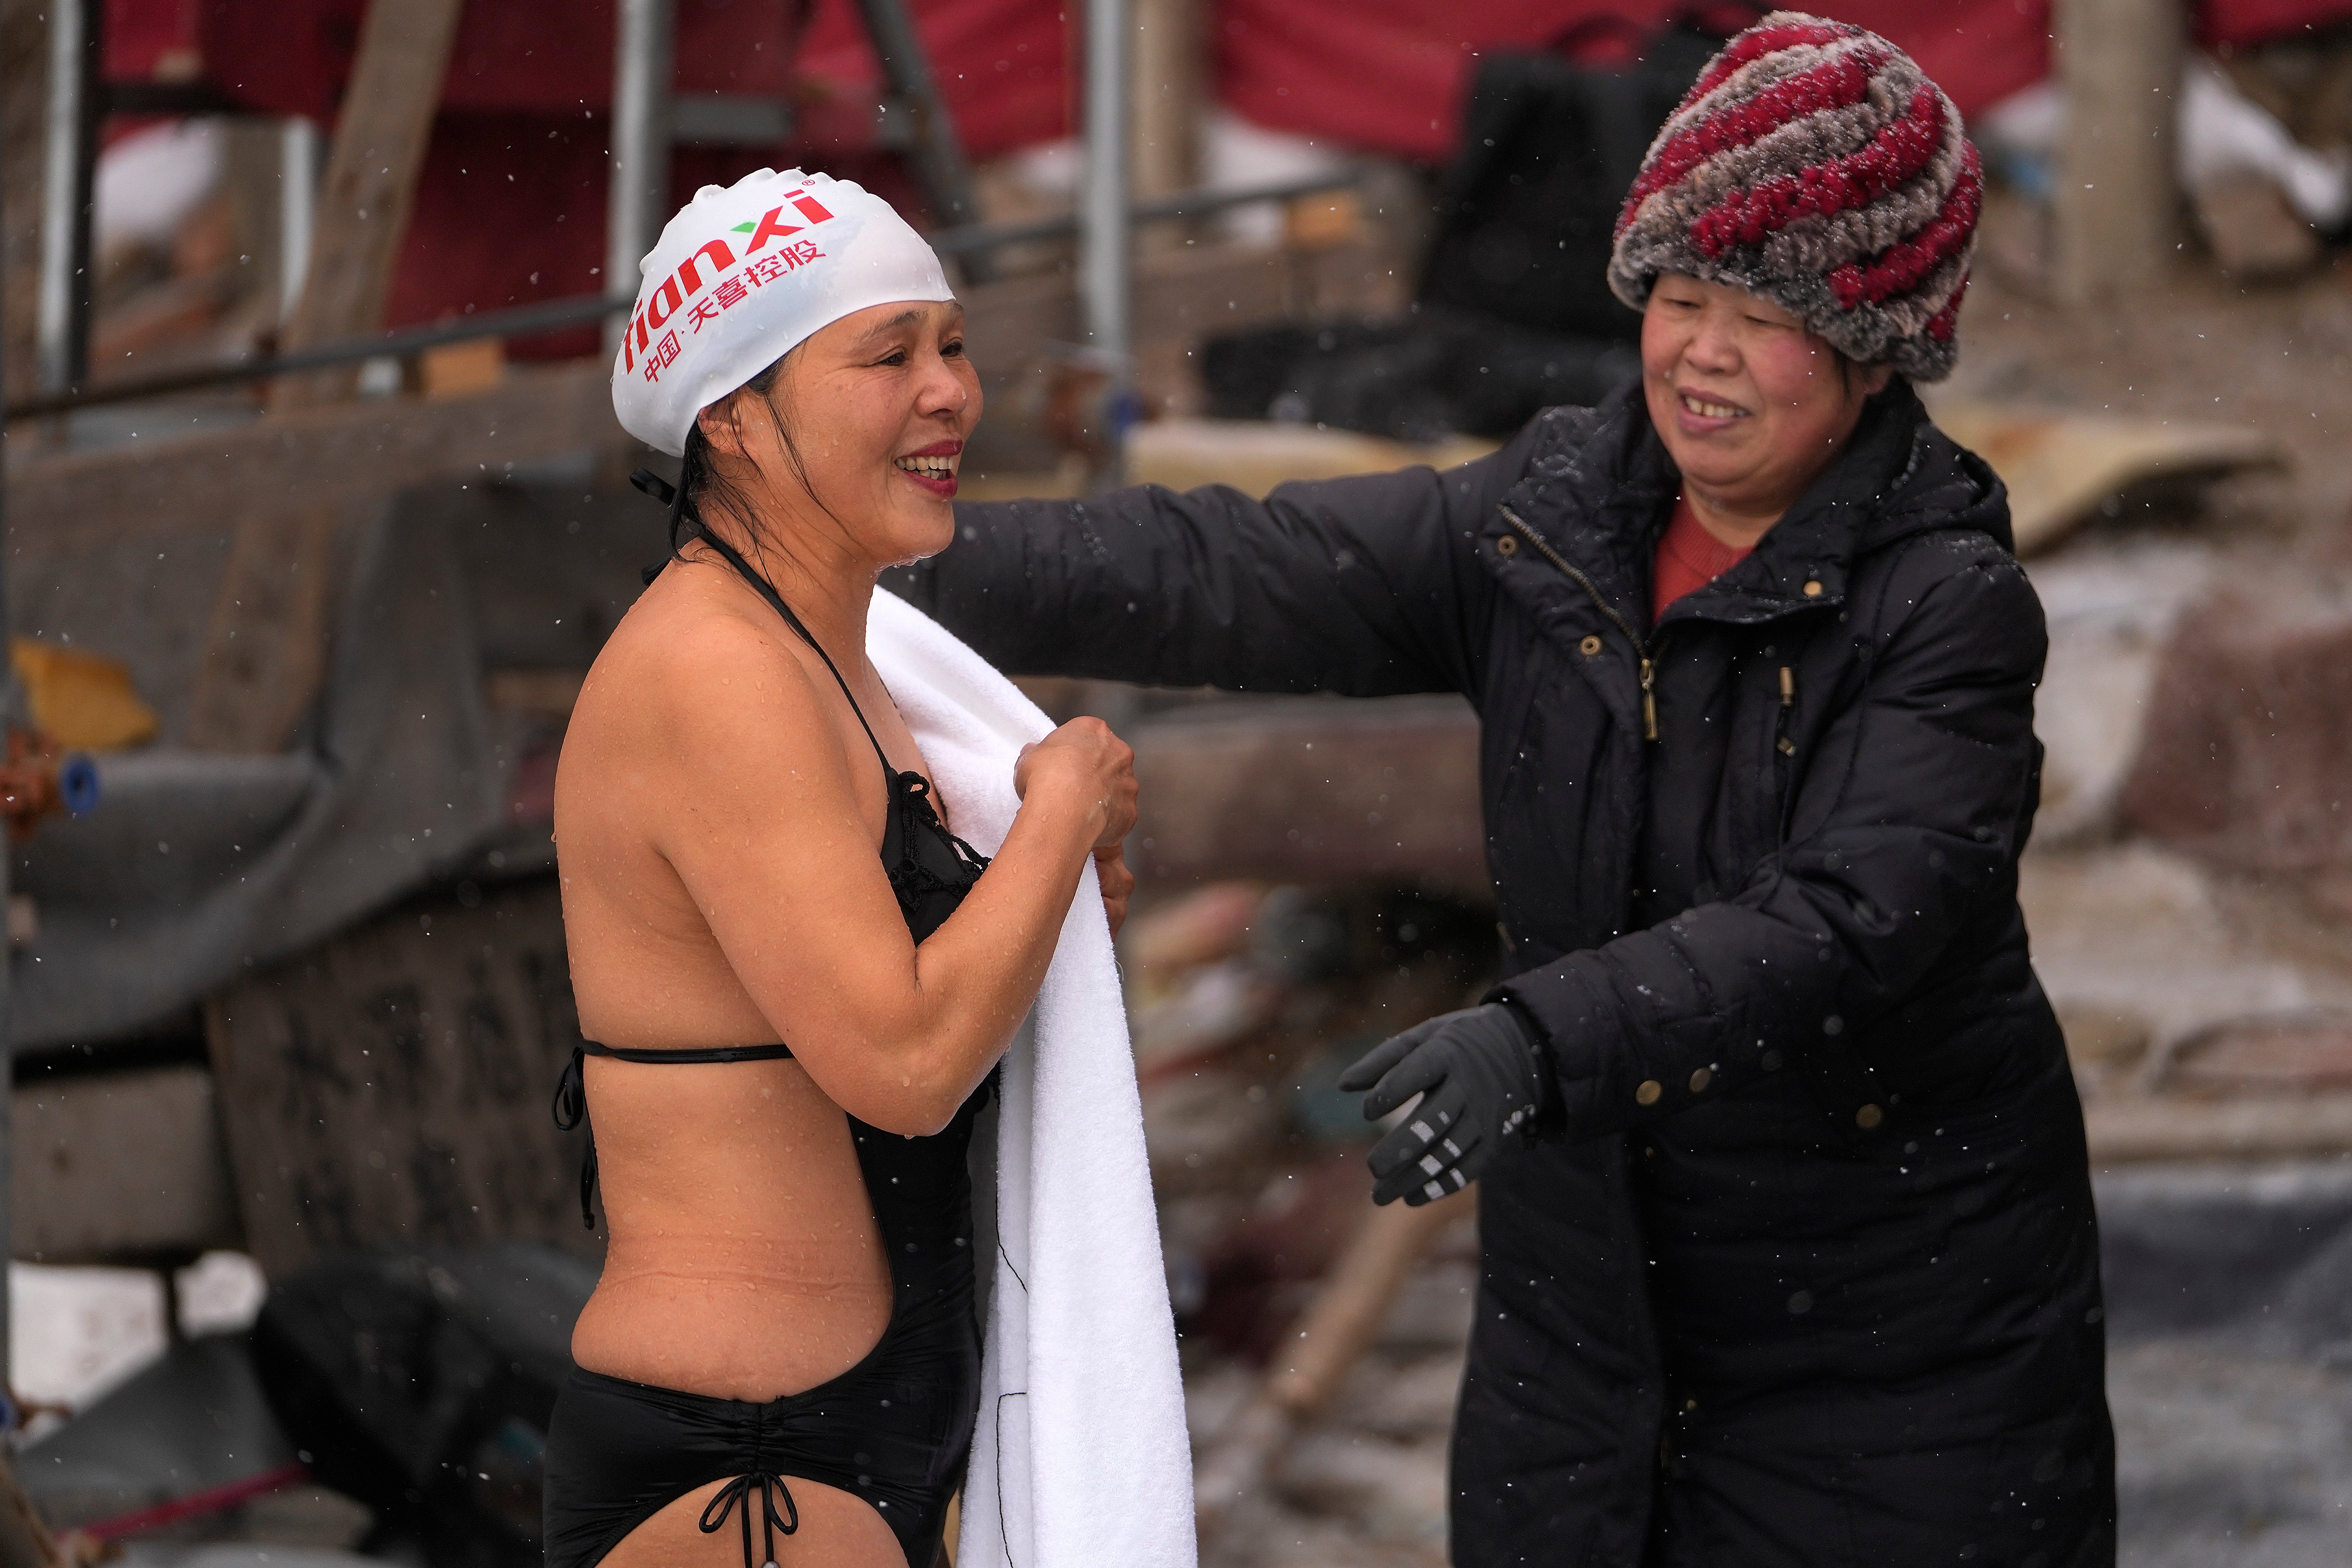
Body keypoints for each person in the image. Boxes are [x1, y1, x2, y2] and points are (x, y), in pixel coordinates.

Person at [893, 15, 2114, 1565]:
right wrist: (914, 569)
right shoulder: (1558, 514)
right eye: (1679, 297)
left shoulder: (1943, 605)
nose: (1702, 353)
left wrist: (1536, 1039)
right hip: (1583, 1352)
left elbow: (1849, 925)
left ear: (1878, 349)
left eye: (1764, 313)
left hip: (1892, 1375)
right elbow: (1242, 571)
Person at [541, 169, 1137, 1568]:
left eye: (953, 344)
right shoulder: (715, 675)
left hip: (848, 1434)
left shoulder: (837, 659)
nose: (950, 394)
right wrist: (1060, 810)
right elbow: (907, 1063)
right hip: (748, 1456)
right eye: (888, 355)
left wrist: (1037, 890)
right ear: (735, 421)